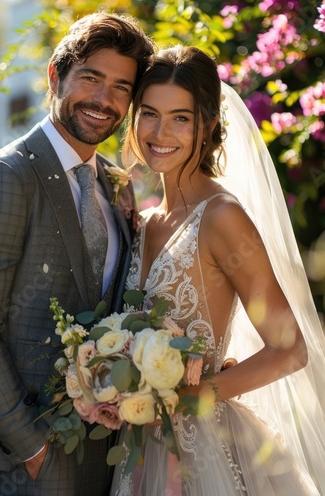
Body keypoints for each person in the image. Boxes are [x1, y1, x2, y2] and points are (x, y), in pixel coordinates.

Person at [0, 12, 155, 496]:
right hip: (35, 466)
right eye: (91, 78)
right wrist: (32, 447)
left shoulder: (116, 185)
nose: (105, 99)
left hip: (113, 454)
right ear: (55, 76)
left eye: (122, 87)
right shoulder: (1, 178)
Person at [111, 45, 325, 495]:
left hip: (203, 450)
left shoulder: (222, 216)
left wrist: (191, 395)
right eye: (149, 114)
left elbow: (289, 350)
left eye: (180, 118)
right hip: (137, 446)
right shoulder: (143, 221)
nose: (160, 132)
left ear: (207, 126)